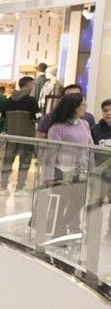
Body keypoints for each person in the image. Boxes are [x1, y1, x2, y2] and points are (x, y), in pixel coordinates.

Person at [43, 93, 93, 240]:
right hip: (61, 172)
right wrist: (48, 176)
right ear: (74, 107)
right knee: (60, 203)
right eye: (82, 104)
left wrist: (93, 169)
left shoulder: (85, 124)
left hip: (79, 171)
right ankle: (58, 232)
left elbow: (90, 147)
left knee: (78, 201)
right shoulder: (57, 128)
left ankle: (62, 224)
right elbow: (50, 154)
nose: (85, 107)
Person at [3, 75, 42, 194]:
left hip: (11, 136)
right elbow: (37, 118)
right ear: (28, 85)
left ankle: (3, 187)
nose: (33, 87)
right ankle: (19, 188)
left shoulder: (9, 100)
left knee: (8, 162)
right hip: (26, 136)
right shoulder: (31, 101)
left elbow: (4, 117)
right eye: (32, 84)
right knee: (24, 162)